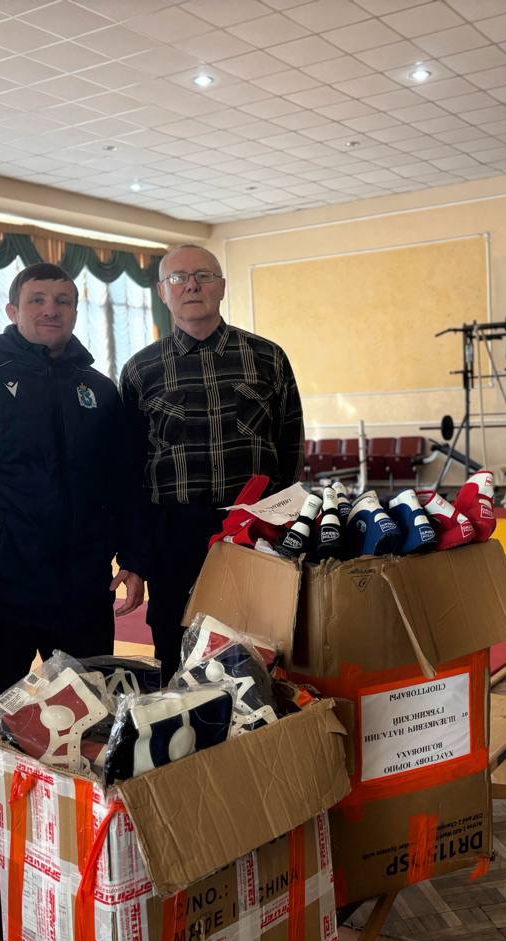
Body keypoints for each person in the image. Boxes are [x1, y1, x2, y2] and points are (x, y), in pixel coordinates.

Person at [0, 262, 147, 941]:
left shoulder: (97, 389)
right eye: (37, 299)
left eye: (64, 299)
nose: (51, 309)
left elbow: (120, 485)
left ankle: (80, 866)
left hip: (80, 592)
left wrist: (133, 558)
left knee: (90, 731)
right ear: (12, 309)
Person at [120, 244, 304, 682]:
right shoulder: (140, 370)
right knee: (176, 648)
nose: (192, 286)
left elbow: (290, 446)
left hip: (254, 532)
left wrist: (284, 528)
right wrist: (136, 555)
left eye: (203, 276)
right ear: (162, 292)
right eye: (178, 278)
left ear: (221, 286)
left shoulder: (267, 358)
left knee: (263, 648)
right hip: (174, 536)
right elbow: (130, 469)